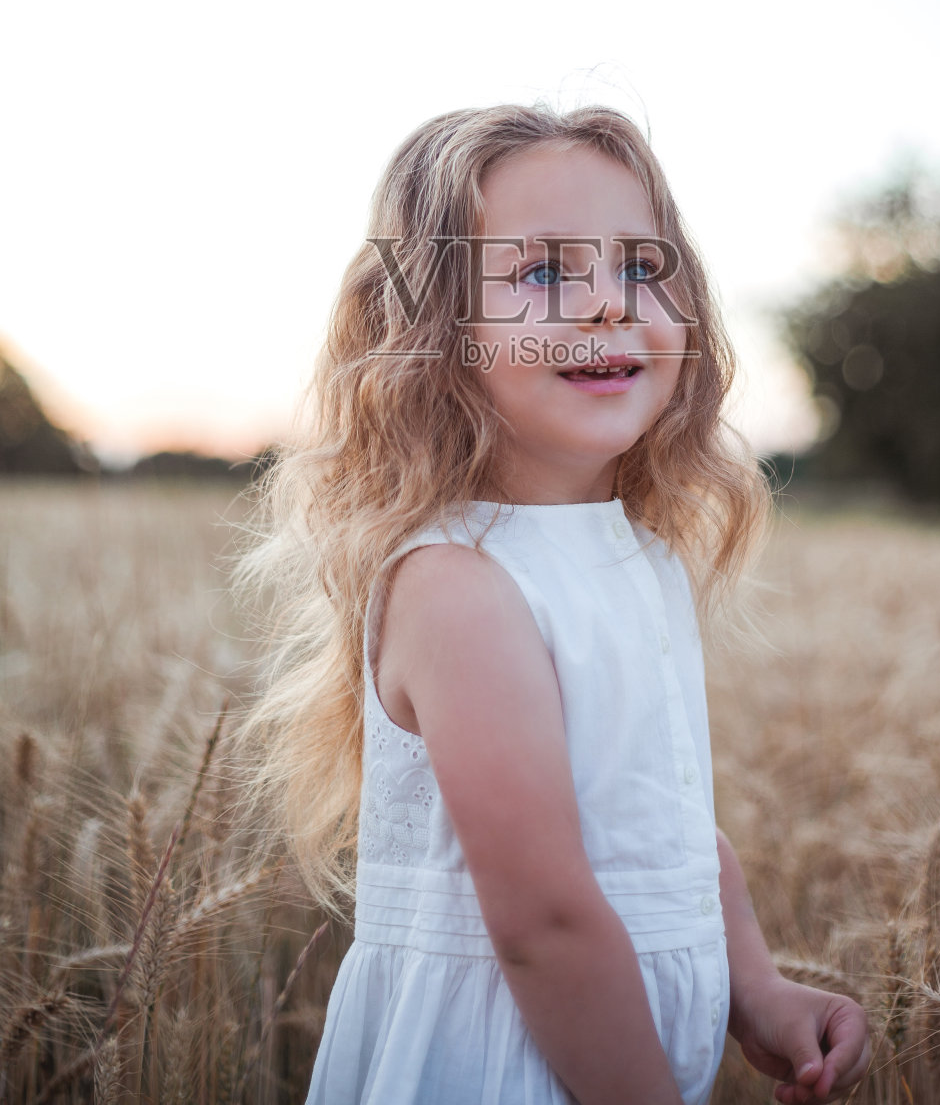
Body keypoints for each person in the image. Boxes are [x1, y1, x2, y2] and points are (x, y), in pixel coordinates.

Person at [237, 103, 870, 1105]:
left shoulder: (640, 560)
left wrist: (759, 989)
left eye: (639, 267)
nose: (606, 305)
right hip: (493, 1063)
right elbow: (542, 924)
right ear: (434, 334)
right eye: (540, 273)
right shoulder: (459, 584)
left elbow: (660, 826)